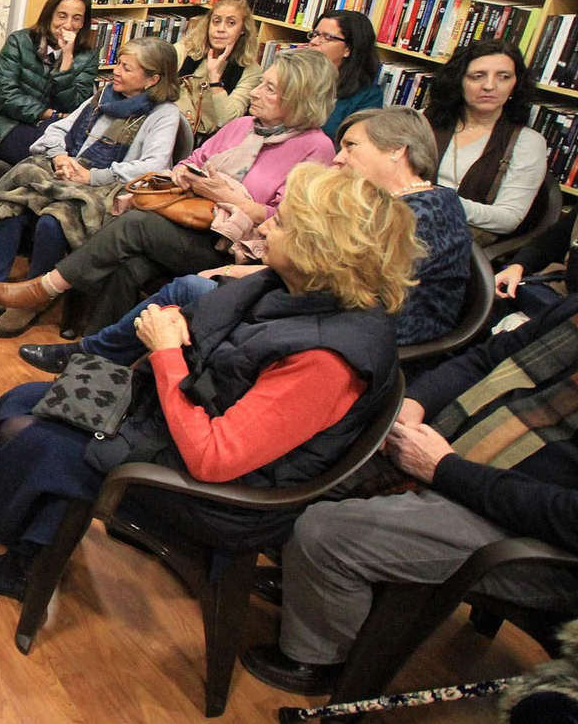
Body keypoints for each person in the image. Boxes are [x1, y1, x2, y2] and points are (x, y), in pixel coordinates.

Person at [0, 166, 417, 600]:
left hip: (223, 497)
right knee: (27, 399)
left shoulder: (326, 361)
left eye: (285, 222)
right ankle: (7, 514)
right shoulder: (293, 290)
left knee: (38, 436)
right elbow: (215, 332)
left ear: (322, 249)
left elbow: (214, 459)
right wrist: (177, 331)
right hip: (182, 421)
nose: (267, 225)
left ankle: (25, 566)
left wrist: (168, 354)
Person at [240, 287, 578, 695]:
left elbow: (567, 517)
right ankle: (313, 590)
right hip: (463, 458)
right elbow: (488, 356)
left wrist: (445, 470)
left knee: (326, 534)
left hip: (534, 533)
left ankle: (318, 660)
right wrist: (417, 401)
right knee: (312, 459)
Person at [19, 106, 472, 373]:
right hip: (319, 305)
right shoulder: (395, 203)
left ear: (398, 151)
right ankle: (94, 362)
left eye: (352, 146)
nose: (340, 157)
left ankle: (86, 346)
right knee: (137, 263)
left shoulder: (422, 213)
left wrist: (254, 270)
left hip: (354, 338)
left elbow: (352, 290)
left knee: (186, 284)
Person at [0, 47, 339, 334]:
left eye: (270, 89)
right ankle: (92, 352)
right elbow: (186, 164)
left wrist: (227, 196)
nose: (257, 93)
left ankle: (46, 289)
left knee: (135, 224)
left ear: (300, 98)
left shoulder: (317, 149)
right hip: (191, 221)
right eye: (260, 83)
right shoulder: (243, 125)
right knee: (130, 264)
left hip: (235, 248)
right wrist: (190, 178)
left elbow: (290, 223)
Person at [0, 38, 182, 338]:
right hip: (70, 171)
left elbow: (152, 167)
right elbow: (59, 128)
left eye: (127, 67)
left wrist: (92, 175)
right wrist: (60, 156)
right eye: (120, 63)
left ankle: (32, 299)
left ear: (153, 79)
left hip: (108, 187)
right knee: (15, 203)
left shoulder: (163, 115)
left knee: (55, 218)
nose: (117, 71)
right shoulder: (105, 95)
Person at [425, 38, 547, 240]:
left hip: (462, 242)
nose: (489, 86)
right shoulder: (424, 120)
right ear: (459, 81)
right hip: (405, 225)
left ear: (516, 85)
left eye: (504, 77)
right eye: (477, 76)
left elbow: (509, 218)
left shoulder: (527, 142)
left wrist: (438, 200)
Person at [0, 0, 100, 166]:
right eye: (62, 16)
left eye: (76, 18)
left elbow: (76, 105)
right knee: (50, 159)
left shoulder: (88, 56)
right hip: (11, 125)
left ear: (83, 23)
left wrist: (67, 58)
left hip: (58, 130)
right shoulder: (19, 41)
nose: (68, 25)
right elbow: (5, 95)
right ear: (49, 16)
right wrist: (52, 114)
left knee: (69, 157)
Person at [173, 0, 263, 141]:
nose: (221, 29)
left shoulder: (250, 71)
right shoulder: (184, 50)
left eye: (231, 23)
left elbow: (227, 121)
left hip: (207, 142)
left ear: (242, 30)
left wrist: (214, 80)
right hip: (168, 127)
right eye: (216, 22)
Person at [306, 9, 382, 140]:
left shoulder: (367, 97)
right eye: (315, 34)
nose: (314, 42)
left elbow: (354, 143)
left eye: (327, 37)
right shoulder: (297, 77)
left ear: (348, 48)